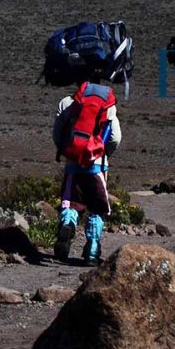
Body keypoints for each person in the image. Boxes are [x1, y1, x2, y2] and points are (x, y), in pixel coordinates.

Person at [52, 78, 122, 265]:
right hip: (97, 166)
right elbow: (115, 137)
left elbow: (57, 133)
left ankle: (67, 226)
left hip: (74, 164)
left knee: (71, 202)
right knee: (97, 208)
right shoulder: (108, 106)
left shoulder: (67, 103)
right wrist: (104, 153)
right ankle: (92, 250)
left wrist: (67, 151)